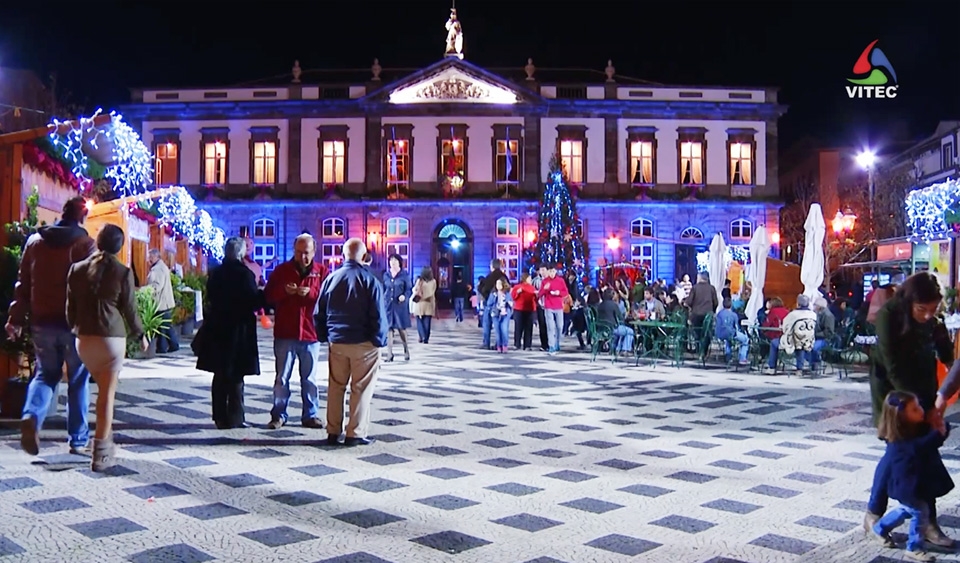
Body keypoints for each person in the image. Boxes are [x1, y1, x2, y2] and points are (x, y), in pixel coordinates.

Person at [865, 272, 954, 547]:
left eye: (933, 310)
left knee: (920, 451)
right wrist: (914, 406)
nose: (928, 315)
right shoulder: (889, 316)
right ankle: (877, 514)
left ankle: (922, 520)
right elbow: (892, 366)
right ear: (909, 301)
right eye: (922, 310)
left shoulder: (931, 320)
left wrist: (952, 371)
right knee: (899, 449)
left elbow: (945, 351)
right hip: (892, 394)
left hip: (923, 386)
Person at [6, 197, 96, 456]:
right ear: (82, 217)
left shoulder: (35, 242)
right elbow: (92, 288)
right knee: (78, 379)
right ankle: (78, 440)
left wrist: (14, 318)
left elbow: (22, 283)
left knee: (45, 374)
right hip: (73, 324)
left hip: (41, 321)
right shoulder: (85, 244)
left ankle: (32, 416)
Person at [66, 225, 146, 471]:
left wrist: (76, 328)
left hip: (84, 339)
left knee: (88, 388)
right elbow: (129, 309)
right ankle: (101, 452)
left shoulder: (77, 269)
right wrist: (140, 334)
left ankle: (99, 440)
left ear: (98, 241)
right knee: (106, 395)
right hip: (111, 338)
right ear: (119, 246)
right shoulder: (123, 272)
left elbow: (70, 309)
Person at [315, 238, 389, 447]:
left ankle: (333, 430)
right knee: (361, 388)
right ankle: (354, 433)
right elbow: (378, 315)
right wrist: (379, 340)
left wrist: (324, 336)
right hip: (363, 342)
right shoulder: (370, 280)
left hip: (337, 341)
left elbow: (319, 312)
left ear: (343, 255)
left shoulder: (331, 279)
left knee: (336, 386)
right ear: (364, 257)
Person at [869, 390, 952, 562]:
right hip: (906, 485)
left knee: (906, 510)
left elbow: (928, 443)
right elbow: (919, 447)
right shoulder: (898, 439)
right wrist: (939, 433)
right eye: (915, 410)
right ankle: (914, 547)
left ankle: (879, 528)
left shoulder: (914, 429)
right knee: (920, 513)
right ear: (901, 417)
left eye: (919, 406)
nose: (921, 410)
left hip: (913, 483)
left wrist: (941, 428)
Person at [194, 237, 263, 430]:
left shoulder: (216, 273)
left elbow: (211, 297)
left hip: (217, 328)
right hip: (238, 331)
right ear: (241, 253)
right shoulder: (244, 274)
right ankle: (235, 417)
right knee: (236, 376)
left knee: (219, 374)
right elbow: (253, 300)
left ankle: (219, 417)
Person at [264, 234, 326, 430]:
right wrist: (284, 291)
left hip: (310, 333)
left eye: (306, 253)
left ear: (314, 252)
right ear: (294, 251)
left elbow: (327, 299)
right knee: (282, 377)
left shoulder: (322, 271)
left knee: (309, 379)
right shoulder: (282, 271)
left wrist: (312, 295)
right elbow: (267, 296)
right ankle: (279, 414)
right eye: (299, 253)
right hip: (286, 332)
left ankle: (311, 414)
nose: (303, 257)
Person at [764, 294, 817, 374]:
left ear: (798, 303)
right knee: (800, 346)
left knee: (774, 343)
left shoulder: (793, 314)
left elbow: (785, 327)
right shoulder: (813, 314)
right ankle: (799, 369)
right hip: (807, 340)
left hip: (791, 341)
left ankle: (772, 367)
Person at [146, 249, 178, 353]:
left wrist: (145, 291)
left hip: (161, 302)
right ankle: (163, 347)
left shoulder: (158, 269)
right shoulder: (161, 267)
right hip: (163, 302)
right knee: (163, 327)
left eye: (150, 257)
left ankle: (173, 345)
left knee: (165, 327)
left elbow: (157, 286)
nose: (149, 259)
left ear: (156, 257)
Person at [382, 254, 412, 361]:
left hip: (400, 306)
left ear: (399, 262)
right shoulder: (386, 275)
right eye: (391, 260)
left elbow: (409, 289)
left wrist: (404, 296)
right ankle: (389, 354)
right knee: (389, 330)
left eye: (395, 261)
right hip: (388, 306)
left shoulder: (404, 275)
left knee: (401, 330)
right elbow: (383, 288)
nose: (393, 262)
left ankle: (406, 350)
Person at [537, 265, 569, 356]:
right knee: (550, 327)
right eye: (550, 272)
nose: (551, 274)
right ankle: (551, 346)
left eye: (553, 272)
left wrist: (559, 293)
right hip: (548, 306)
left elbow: (565, 292)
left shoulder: (560, 281)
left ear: (555, 272)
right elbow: (539, 294)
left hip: (558, 306)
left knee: (560, 326)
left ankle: (557, 343)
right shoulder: (544, 281)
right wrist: (545, 289)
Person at [478, 259, 509, 350]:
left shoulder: (490, 277)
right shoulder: (504, 276)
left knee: (487, 323)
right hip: (501, 305)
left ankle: (486, 343)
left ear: (492, 266)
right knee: (499, 326)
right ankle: (499, 344)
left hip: (490, 304)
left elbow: (484, 289)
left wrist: (487, 297)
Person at [597, 288, 632, 357]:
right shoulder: (614, 305)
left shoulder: (600, 305)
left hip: (602, 329)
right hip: (612, 329)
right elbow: (620, 318)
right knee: (630, 331)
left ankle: (614, 348)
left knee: (620, 330)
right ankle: (625, 350)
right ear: (612, 296)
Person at [715, 298, 749, 366]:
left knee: (728, 339)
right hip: (730, 333)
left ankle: (728, 355)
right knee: (745, 339)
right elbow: (736, 327)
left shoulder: (719, 313)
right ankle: (742, 358)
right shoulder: (734, 315)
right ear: (731, 305)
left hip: (719, 334)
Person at [510, 273, 537, 350]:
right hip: (519, 309)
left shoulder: (532, 288)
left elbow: (535, 298)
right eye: (529, 278)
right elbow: (513, 297)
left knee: (528, 328)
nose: (530, 280)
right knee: (518, 328)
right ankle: (517, 344)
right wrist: (517, 292)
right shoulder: (517, 287)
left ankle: (527, 345)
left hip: (529, 309)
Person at [810, 297, 836, 370]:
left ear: (819, 306)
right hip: (818, 337)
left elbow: (828, 332)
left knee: (814, 347)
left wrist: (816, 334)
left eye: (815, 305)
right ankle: (812, 363)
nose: (814, 307)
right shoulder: (818, 314)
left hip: (825, 339)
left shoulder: (828, 315)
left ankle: (816, 362)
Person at [411, 267, 437, 344]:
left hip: (420, 302)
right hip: (429, 302)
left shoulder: (419, 280)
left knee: (419, 321)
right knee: (427, 321)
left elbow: (415, 289)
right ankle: (426, 337)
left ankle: (422, 336)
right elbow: (433, 292)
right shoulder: (433, 281)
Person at [493, 279, 513, 353]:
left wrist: (509, 305)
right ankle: (499, 345)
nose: (497, 286)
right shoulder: (494, 294)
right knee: (497, 331)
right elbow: (489, 303)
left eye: (499, 284)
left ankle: (504, 345)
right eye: (496, 284)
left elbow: (511, 304)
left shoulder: (507, 294)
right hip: (495, 314)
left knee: (504, 330)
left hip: (505, 314)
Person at [532, 266, 550, 351]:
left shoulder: (551, 280)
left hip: (550, 305)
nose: (542, 272)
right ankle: (544, 344)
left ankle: (552, 343)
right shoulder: (536, 281)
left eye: (544, 270)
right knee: (542, 325)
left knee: (550, 325)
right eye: (541, 270)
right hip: (540, 306)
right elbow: (532, 290)